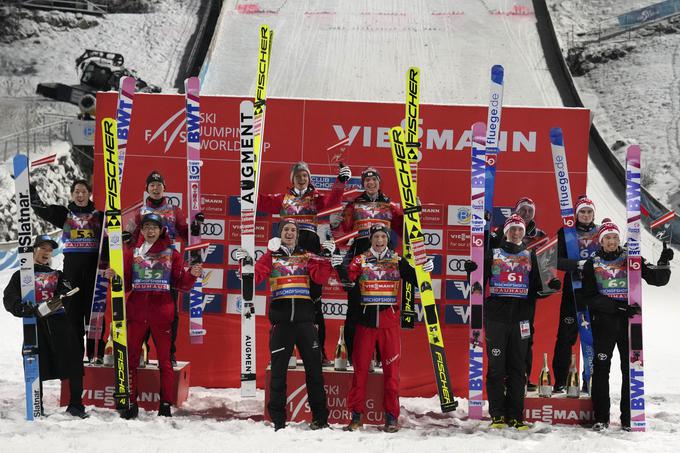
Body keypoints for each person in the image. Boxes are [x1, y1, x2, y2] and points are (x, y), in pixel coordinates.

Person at [236, 218, 335, 431]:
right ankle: (278, 421)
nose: (289, 233)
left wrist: (326, 259)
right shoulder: (271, 257)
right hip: (282, 323)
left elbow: (320, 278)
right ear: (280, 234)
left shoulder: (306, 256)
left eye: (293, 230)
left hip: (306, 322)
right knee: (279, 373)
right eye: (286, 230)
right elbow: (256, 277)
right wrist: (245, 265)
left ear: (297, 235)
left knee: (315, 372)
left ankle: (320, 418)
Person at [468, 214, 560, 430]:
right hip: (497, 318)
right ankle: (497, 415)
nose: (516, 232)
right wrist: (471, 271)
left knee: (518, 368)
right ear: (506, 232)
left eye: (519, 229)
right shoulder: (493, 254)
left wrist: (551, 287)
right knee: (497, 369)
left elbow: (537, 289)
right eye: (513, 229)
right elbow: (476, 285)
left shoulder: (531, 256)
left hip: (521, 320)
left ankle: (516, 416)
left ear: (523, 232)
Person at [104, 213, 201, 419]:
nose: (150, 231)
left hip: (162, 314)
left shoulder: (172, 254)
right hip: (137, 312)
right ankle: (131, 402)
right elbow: (126, 283)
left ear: (161, 230)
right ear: (141, 230)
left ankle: (165, 404)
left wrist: (192, 274)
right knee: (131, 359)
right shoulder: (132, 252)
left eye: (154, 228)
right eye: (146, 227)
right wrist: (114, 278)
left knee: (164, 361)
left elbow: (180, 284)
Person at [582, 219, 672, 432]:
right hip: (604, 324)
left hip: (630, 325)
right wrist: (617, 307)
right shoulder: (592, 263)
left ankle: (628, 419)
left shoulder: (631, 259)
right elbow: (588, 297)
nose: (611, 241)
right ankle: (601, 418)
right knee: (602, 370)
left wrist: (664, 261)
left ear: (618, 239)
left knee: (630, 370)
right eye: (607, 238)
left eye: (614, 237)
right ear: (601, 241)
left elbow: (657, 279)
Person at [258, 161, 351, 364]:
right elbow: (260, 202)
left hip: (309, 244)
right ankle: (285, 353)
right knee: (285, 294)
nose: (302, 179)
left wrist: (341, 181)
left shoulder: (316, 197)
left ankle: (319, 353)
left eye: (305, 176)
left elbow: (333, 202)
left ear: (309, 178)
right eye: (299, 175)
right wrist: (248, 183)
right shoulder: (283, 198)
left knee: (314, 302)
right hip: (287, 245)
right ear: (292, 178)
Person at [339, 224, 427, 433]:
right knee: (360, 371)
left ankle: (391, 418)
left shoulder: (397, 260)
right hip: (365, 323)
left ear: (387, 239)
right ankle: (356, 417)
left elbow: (415, 279)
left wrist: (424, 267)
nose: (379, 240)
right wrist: (339, 264)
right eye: (376, 237)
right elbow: (347, 280)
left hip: (389, 323)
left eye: (383, 237)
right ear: (371, 239)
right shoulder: (360, 259)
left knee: (391, 373)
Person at [3, 235, 88, 418]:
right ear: (34, 250)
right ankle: (36, 405)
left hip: (59, 322)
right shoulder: (21, 275)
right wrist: (20, 307)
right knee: (34, 362)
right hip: (35, 324)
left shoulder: (57, 275)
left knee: (74, 360)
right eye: (42, 248)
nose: (46, 252)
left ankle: (76, 405)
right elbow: (9, 298)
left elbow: (68, 290)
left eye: (49, 250)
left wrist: (63, 294)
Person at [128, 171, 203, 366]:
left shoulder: (174, 210)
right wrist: (126, 244)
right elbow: (133, 239)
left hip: (167, 265)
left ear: (164, 188)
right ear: (147, 189)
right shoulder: (140, 212)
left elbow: (185, 234)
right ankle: (141, 352)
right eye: (151, 185)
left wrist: (196, 226)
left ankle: (169, 353)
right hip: (143, 266)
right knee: (141, 312)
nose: (155, 188)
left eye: (158, 184)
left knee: (170, 313)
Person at [30, 179, 104, 363]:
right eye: (76, 192)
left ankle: (97, 354)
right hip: (71, 274)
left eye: (84, 192)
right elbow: (41, 209)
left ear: (89, 194)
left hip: (94, 273)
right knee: (73, 315)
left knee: (94, 314)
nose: (80, 195)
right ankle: (76, 356)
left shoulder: (100, 216)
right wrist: (28, 189)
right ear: (72, 194)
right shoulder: (64, 214)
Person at [341, 167, 403, 362]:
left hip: (384, 263)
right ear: (363, 184)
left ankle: (379, 356)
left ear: (379, 182)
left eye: (373, 180)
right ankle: (352, 355)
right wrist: (337, 222)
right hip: (360, 261)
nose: (370, 183)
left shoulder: (391, 205)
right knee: (355, 309)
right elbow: (343, 231)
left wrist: (412, 214)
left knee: (380, 307)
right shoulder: (354, 204)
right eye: (366, 181)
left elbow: (404, 229)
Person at [490, 197, 548, 391]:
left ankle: (523, 376)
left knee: (526, 336)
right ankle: (505, 376)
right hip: (503, 293)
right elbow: (489, 254)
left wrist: (548, 283)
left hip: (526, 295)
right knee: (503, 337)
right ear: (515, 210)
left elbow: (548, 263)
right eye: (522, 210)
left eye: (529, 211)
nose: (526, 213)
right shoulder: (502, 230)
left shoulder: (540, 235)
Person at [551, 196, 600, 392]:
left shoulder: (601, 232)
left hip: (596, 293)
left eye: (589, 212)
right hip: (572, 291)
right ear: (577, 214)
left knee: (594, 338)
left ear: (593, 213)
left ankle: (590, 381)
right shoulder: (566, 232)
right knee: (565, 338)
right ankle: (560, 382)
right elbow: (555, 260)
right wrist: (576, 265)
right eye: (582, 212)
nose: (586, 215)